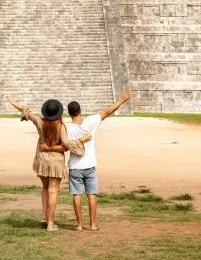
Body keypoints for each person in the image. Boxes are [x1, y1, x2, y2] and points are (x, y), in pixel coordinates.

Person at [41, 91, 133, 231]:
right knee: (91, 194)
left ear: (70, 114)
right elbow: (108, 111)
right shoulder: (91, 121)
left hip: (75, 166)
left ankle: (78, 225)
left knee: (77, 194)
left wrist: (47, 147)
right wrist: (122, 100)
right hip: (90, 164)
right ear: (80, 111)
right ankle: (92, 224)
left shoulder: (66, 127)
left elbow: (63, 145)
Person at [7, 95, 91, 231]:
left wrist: (13, 102)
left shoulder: (40, 122)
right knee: (53, 191)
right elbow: (65, 145)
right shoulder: (61, 126)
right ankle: (50, 224)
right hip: (55, 162)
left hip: (42, 159)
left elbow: (26, 112)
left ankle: (45, 217)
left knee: (45, 188)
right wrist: (82, 140)